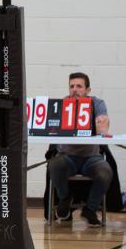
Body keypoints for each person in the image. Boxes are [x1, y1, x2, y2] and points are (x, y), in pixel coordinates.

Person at [47, 72, 113, 227]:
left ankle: (90, 210)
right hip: (67, 156)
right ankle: (65, 198)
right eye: (71, 86)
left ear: (88, 90)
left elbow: (103, 128)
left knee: (105, 171)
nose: (74, 90)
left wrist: (95, 123)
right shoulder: (62, 103)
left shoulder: (97, 103)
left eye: (79, 86)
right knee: (54, 164)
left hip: (92, 157)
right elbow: (51, 128)